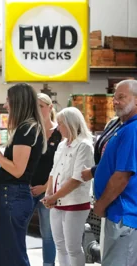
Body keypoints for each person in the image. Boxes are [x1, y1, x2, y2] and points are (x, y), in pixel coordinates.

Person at [0, 83, 46, 266]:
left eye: (8, 100)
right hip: (12, 194)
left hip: (14, 195)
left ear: (18, 102)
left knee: (11, 254)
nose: (4, 105)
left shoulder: (26, 129)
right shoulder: (27, 128)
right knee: (6, 251)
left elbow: (17, 170)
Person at [88, 80, 137, 266]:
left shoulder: (133, 130)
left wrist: (101, 204)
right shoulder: (123, 127)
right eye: (114, 97)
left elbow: (122, 176)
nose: (115, 101)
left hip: (124, 216)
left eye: (122, 97)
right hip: (117, 213)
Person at [41, 107, 94, 266]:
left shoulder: (84, 145)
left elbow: (77, 178)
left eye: (61, 124)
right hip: (56, 202)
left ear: (71, 124)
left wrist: (53, 197)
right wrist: (49, 194)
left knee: (73, 247)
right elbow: (53, 171)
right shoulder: (62, 145)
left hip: (75, 202)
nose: (58, 127)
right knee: (60, 246)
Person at [28, 93, 62, 266]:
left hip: (48, 190)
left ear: (49, 107)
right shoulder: (31, 132)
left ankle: (48, 264)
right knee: (19, 229)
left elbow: (60, 167)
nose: (38, 110)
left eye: (41, 106)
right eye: (35, 107)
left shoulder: (59, 133)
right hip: (28, 188)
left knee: (48, 233)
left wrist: (44, 188)